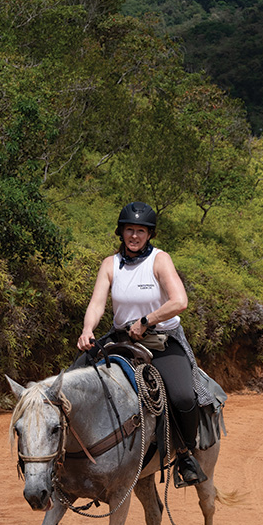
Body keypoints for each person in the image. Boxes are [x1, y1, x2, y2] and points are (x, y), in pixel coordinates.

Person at [77, 201, 208, 486]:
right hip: (121, 338)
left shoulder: (160, 260)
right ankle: (64, 453)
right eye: (129, 230)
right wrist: (88, 329)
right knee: (72, 381)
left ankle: (185, 455)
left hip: (161, 340)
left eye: (140, 231)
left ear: (149, 235)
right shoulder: (110, 265)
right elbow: (97, 303)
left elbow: (180, 301)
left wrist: (147, 320)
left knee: (184, 396)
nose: (134, 236)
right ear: (121, 232)